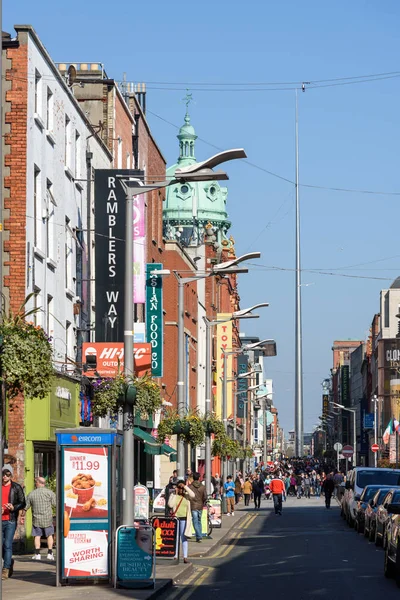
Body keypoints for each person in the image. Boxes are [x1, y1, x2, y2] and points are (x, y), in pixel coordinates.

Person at [20, 476, 56, 560]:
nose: (35, 483)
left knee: (37, 536)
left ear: (38, 483)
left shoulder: (31, 494)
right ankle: (50, 553)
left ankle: (37, 554)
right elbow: (56, 504)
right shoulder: (50, 493)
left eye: (36, 482)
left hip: (36, 519)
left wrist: (22, 516)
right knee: (49, 535)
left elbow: (25, 507)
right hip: (48, 518)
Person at [2, 465, 25, 580]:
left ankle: (5, 569)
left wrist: (13, 507)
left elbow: (22, 502)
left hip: (10, 520)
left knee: (7, 545)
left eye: (7, 474)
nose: (5, 476)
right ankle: (9, 561)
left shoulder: (16, 487)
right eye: (3, 474)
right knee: (2, 545)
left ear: (11, 475)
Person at [168, 479, 195, 564]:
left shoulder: (187, 496)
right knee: (176, 538)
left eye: (181, 487)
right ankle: (175, 555)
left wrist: (185, 487)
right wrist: (175, 494)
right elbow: (170, 505)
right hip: (176, 519)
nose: (180, 489)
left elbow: (193, 495)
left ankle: (185, 557)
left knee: (184, 538)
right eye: (179, 487)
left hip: (184, 519)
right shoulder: (173, 495)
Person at [189, 472, 207, 543]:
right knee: (199, 521)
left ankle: (199, 536)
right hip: (200, 506)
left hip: (193, 506)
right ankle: (199, 536)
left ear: (193, 478)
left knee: (195, 521)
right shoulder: (202, 486)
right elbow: (205, 497)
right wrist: (202, 502)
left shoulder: (190, 487)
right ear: (199, 478)